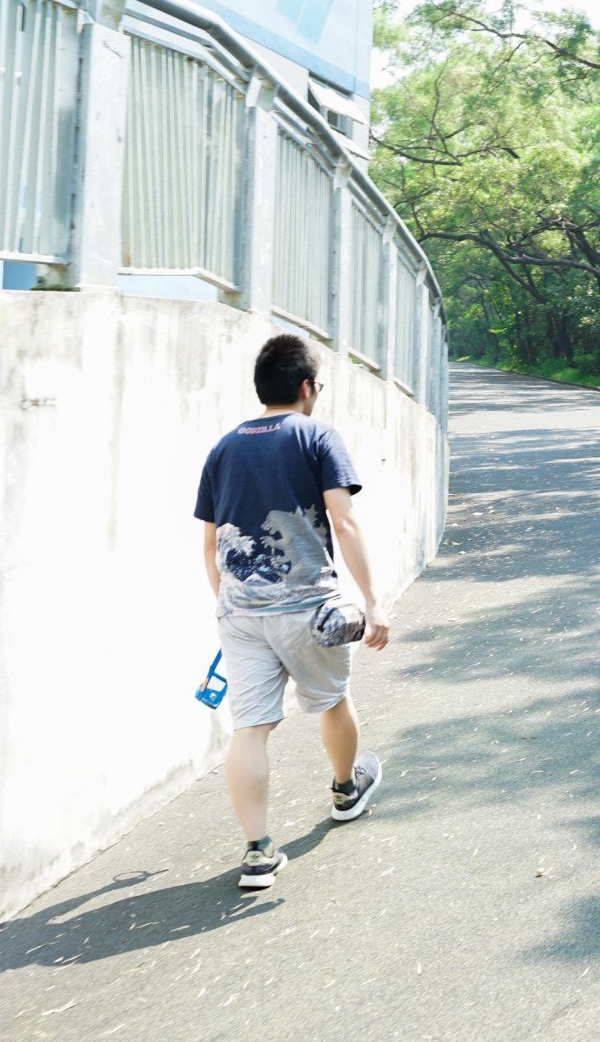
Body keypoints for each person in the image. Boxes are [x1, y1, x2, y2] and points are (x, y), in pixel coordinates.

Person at [195, 334, 392, 888]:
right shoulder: (317, 436)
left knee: (250, 729)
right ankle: (345, 790)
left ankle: (257, 853)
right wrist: (373, 603)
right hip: (307, 608)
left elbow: (210, 546)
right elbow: (345, 522)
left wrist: (230, 608)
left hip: (239, 611)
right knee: (331, 700)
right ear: (307, 387)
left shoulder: (223, 448)